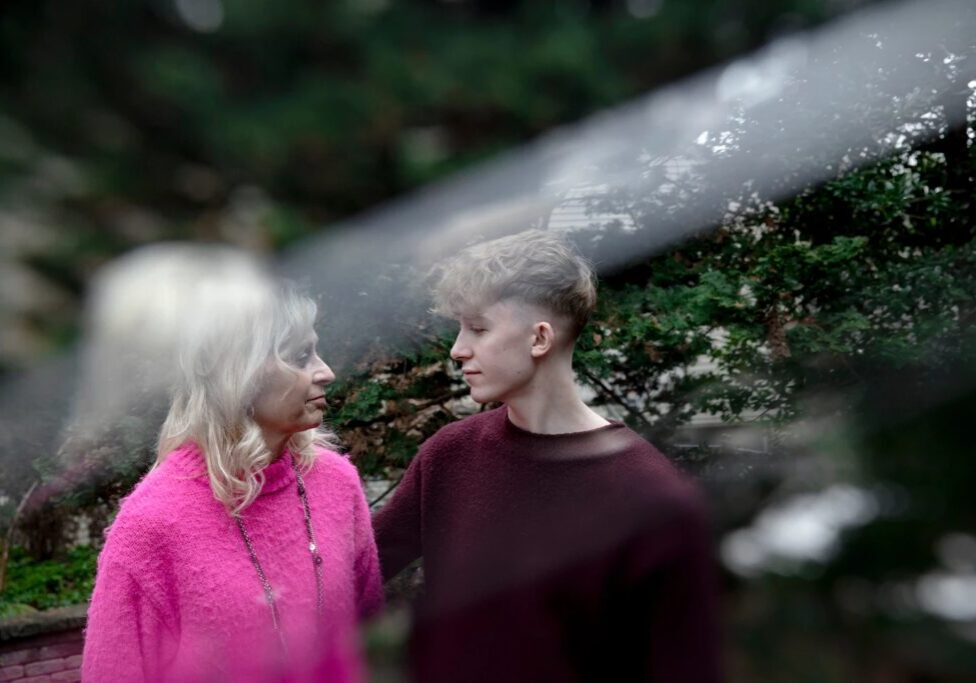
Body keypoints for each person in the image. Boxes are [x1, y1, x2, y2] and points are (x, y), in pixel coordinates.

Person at [373, 229, 722, 682]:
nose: (458, 349)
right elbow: (346, 575)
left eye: (478, 328)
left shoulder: (653, 500)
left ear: (540, 338)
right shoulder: (450, 455)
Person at [82, 258, 382, 683]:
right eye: (300, 355)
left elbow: (369, 638)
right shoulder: (152, 524)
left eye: (316, 350)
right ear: (234, 370)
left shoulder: (337, 482)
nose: (326, 372)